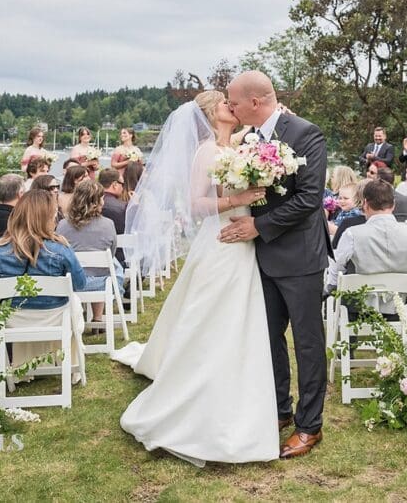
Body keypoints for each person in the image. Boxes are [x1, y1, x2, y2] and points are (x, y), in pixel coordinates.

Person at [110, 89, 280, 466]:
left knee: (239, 320)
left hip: (243, 241)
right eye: (225, 104)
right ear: (210, 114)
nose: (231, 107)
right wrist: (238, 200)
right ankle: (195, 394)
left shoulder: (237, 146)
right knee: (210, 319)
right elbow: (195, 204)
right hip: (220, 239)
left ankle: (237, 391)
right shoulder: (207, 151)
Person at [219, 72, 331, 459]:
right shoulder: (248, 139)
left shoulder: (305, 134)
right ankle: (279, 408)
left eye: (233, 101)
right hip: (262, 256)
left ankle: (309, 425)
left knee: (307, 341)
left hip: (300, 256)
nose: (230, 108)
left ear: (254, 101)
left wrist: (258, 225)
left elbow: (309, 200)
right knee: (268, 338)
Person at [0, 189, 91, 365]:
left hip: (13, 320)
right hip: (55, 318)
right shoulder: (60, 249)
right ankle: (67, 363)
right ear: (47, 218)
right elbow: (80, 284)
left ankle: (25, 364)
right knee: (75, 301)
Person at [325, 180, 407, 296]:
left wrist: (332, 292)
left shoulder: (352, 235)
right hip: (400, 306)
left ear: (365, 204)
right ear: (393, 204)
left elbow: (337, 269)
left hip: (358, 306)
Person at [56, 180, 124, 304]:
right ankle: (97, 317)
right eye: (102, 198)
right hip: (102, 283)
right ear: (97, 201)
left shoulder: (62, 225)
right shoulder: (108, 224)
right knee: (113, 264)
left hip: (71, 283)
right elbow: (112, 252)